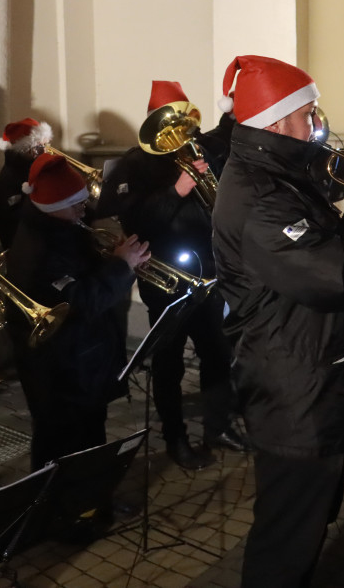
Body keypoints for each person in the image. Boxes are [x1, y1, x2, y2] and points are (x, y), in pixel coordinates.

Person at [211, 55, 344, 588]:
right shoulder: (261, 197)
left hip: (311, 377)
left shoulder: (277, 173)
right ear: (278, 122)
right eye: (309, 113)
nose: (318, 122)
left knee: (307, 524)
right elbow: (339, 276)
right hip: (294, 394)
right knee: (285, 539)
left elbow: (324, 246)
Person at [97, 80, 247, 471]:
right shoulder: (135, 164)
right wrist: (176, 191)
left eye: (183, 123)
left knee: (217, 353)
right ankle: (175, 437)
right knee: (169, 362)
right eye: (171, 124)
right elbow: (134, 221)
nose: (180, 133)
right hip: (166, 278)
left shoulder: (199, 150)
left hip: (208, 270)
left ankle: (218, 426)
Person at [6, 153, 149, 471]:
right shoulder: (38, 249)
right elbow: (79, 302)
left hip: (82, 361)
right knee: (61, 445)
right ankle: (59, 499)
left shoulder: (62, 227)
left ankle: (89, 492)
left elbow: (86, 277)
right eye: (76, 204)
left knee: (89, 438)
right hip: (61, 372)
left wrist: (119, 263)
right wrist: (121, 267)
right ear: (53, 206)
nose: (84, 210)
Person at [0, 117, 52, 249]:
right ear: (26, 149)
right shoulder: (13, 176)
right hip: (26, 246)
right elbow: (10, 221)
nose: (46, 151)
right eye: (40, 147)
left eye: (47, 145)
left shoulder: (32, 168)